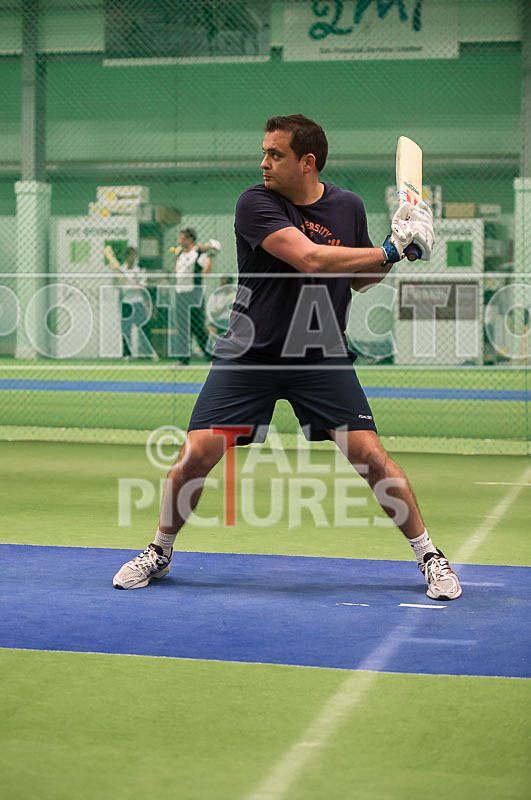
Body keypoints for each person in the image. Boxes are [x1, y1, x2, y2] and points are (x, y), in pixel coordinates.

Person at [113, 113, 462, 602]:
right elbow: (311, 258)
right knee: (196, 454)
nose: (264, 163)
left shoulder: (348, 207)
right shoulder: (255, 203)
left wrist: (399, 250)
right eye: (264, 152)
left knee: (370, 457)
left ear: (307, 162)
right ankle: (160, 550)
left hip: (319, 354)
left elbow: (360, 279)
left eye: (275, 154)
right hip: (249, 352)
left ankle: (429, 555)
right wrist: (388, 250)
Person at [169, 229, 219, 365]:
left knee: (198, 327)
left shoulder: (198, 254)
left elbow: (206, 271)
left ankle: (212, 357)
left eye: (182, 238)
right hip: (180, 292)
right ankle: (183, 360)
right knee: (183, 327)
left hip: (193, 293)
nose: (179, 240)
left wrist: (212, 255)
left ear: (189, 239)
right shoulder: (180, 253)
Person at [103, 244, 155, 359]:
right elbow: (116, 284)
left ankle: (146, 353)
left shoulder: (140, 270)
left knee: (144, 327)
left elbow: (143, 285)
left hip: (138, 302)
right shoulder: (121, 270)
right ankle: (126, 354)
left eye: (134, 256)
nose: (132, 258)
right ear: (127, 257)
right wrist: (125, 286)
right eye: (130, 256)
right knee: (126, 329)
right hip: (126, 303)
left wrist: (133, 287)